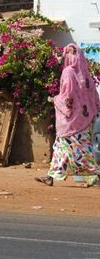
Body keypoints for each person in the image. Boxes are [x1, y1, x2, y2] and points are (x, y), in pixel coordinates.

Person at [36, 43, 100, 187]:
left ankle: (95, 173)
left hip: (71, 121)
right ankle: (50, 176)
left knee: (81, 149)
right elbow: (95, 99)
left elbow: (68, 97)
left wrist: (55, 99)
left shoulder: (68, 72)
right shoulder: (87, 76)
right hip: (86, 119)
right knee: (61, 148)